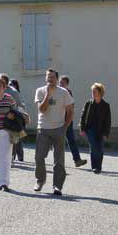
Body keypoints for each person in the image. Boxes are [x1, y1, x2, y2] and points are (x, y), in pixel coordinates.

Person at [34, 68, 74, 196]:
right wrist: (47, 94)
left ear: (57, 79)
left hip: (59, 129)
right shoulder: (40, 91)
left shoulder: (64, 92)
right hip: (43, 129)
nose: (50, 79)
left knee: (59, 161)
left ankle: (57, 186)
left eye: (52, 77)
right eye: (48, 77)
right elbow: (42, 109)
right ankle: (40, 181)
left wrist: (65, 127)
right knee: (39, 157)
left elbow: (70, 110)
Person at [80, 83, 111, 174]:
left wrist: (106, 133)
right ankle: (95, 167)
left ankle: (99, 167)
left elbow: (108, 121)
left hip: (101, 130)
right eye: (92, 92)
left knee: (100, 148)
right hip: (90, 129)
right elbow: (83, 116)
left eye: (95, 91)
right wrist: (82, 129)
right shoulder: (88, 103)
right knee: (93, 147)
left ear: (100, 92)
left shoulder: (105, 105)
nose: (93, 93)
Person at [59, 75, 87, 167]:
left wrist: (68, 121)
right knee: (55, 140)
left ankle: (77, 160)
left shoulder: (68, 93)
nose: (61, 85)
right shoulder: (56, 92)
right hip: (56, 120)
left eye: (63, 83)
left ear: (67, 84)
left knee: (71, 140)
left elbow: (70, 108)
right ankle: (42, 158)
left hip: (67, 121)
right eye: (60, 83)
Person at [8, 78, 25, 163]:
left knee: (18, 139)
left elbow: (22, 105)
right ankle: (12, 157)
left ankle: (20, 157)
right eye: (9, 84)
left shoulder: (17, 93)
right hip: (11, 119)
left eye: (12, 84)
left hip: (18, 118)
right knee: (13, 139)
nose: (10, 86)